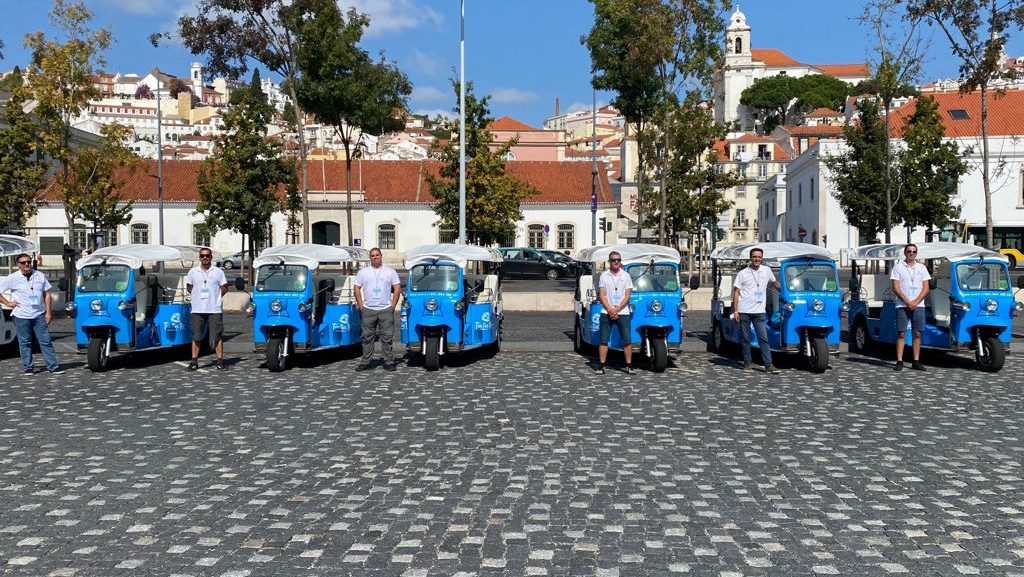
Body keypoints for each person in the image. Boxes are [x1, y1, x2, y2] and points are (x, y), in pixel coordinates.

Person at [0, 254, 63, 375]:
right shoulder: (13, 277)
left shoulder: (39, 275)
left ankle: (53, 366)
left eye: (28, 261)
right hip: (21, 315)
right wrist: (8, 303)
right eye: (23, 263)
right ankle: (28, 367)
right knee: (25, 342)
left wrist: (48, 312)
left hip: (39, 314)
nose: (26, 264)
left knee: (45, 341)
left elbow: (47, 294)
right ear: (18, 264)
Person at [732, 247, 781, 373]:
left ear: (762, 258)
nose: (757, 259)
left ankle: (768, 365)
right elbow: (736, 292)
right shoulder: (743, 273)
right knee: (746, 338)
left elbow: (775, 283)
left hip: (759, 311)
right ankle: (747, 363)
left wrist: (786, 293)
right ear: (750, 258)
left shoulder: (767, 270)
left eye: (759, 257)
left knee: (763, 338)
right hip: (744, 310)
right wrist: (736, 310)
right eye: (754, 257)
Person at [354, 247, 401, 371]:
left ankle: (389, 361)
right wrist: (361, 306)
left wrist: (393, 305)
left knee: (387, 338)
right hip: (368, 310)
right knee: (367, 338)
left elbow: (397, 288)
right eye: (373, 256)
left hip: (385, 309)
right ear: (370, 258)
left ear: (381, 256)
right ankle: (366, 361)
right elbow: (356, 288)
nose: (375, 257)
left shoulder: (390, 271)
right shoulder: (363, 272)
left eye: (377, 255)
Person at [186, 248, 228, 370]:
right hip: (197, 310)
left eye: (207, 256)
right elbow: (189, 287)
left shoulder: (218, 272)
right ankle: (194, 361)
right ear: (199, 257)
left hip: (214, 309)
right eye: (202, 256)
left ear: (211, 257)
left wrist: (216, 298)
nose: (205, 258)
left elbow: (224, 287)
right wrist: (197, 297)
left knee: (216, 336)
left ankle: (219, 361)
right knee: (196, 336)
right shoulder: (193, 272)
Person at [890, 243, 929, 371]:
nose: (911, 253)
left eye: (914, 251)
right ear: (905, 253)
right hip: (902, 305)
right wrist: (907, 302)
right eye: (909, 251)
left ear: (916, 253)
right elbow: (895, 288)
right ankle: (899, 360)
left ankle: (916, 361)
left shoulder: (922, 268)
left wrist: (916, 302)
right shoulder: (898, 267)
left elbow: (926, 288)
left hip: (919, 305)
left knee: (917, 333)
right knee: (901, 333)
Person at [596, 251, 635, 375]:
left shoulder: (626, 275)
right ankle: (601, 365)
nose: (616, 262)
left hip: (622, 312)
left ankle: (629, 365)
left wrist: (617, 309)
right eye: (613, 260)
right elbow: (602, 295)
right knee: (603, 340)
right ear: (609, 262)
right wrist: (610, 309)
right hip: (606, 311)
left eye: (618, 259)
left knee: (627, 340)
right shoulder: (604, 275)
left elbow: (627, 295)